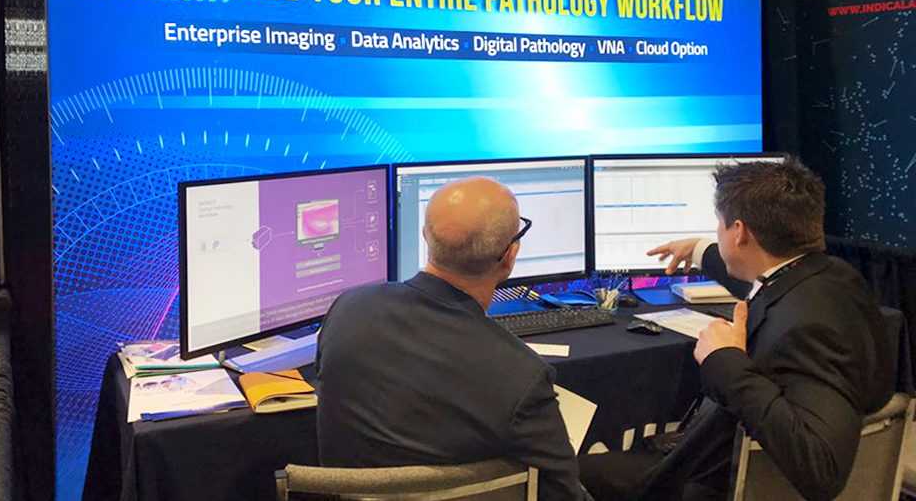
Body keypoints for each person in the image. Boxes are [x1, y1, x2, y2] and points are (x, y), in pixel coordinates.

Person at [579, 158, 895, 501]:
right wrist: (700, 251)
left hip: (706, 486)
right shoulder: (832, 276)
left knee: (568, 472)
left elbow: (823, 472)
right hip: (719, 464)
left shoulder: (806, 331)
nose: (718, 233)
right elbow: (765, 284)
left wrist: (727, 362)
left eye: (719, 225)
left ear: (740, 232)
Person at [315, 177, 590, 501]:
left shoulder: (348, 307)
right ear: (509, 257)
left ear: (425, 237)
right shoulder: (523, 376)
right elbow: (564, 493)